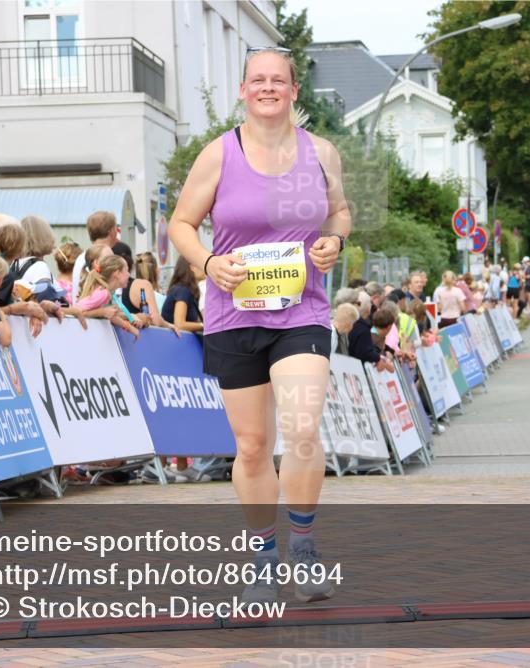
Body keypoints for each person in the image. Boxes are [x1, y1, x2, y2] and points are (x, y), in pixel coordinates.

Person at [167, 46, 349, 604]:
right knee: (250, 447)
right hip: (233, 313)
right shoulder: (218, 155)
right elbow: (180, 223)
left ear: (295, 91)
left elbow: (340, 211)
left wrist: (333, 240)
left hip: (302, 311)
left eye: (278, 80)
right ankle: (263, 555)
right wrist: (206, 262)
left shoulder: (320, 153)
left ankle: (304, 544)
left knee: (300, 429)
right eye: (257, 80)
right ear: (243, 91)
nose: (268, 88)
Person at [75, 254, 141, 338]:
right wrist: (102, 312)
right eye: (127, 270)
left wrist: (130, 328)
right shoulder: (103, 293)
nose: (129, 274)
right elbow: (77, 312)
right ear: (117, 273)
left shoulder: (107, 293)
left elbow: (111, 316)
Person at [72, 210, 120, 300]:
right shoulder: (107, 257)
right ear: (111, 231)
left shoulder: (81, 257)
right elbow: (116, 293)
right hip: (101, 312)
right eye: (116, 227)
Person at [161, 257, 204, 333]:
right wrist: (204, 326)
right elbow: (179, 324)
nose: (204, 269)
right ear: (192, 267)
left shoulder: (187, 290)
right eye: (201, 264)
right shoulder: (183, 290)